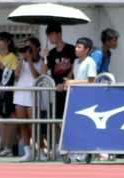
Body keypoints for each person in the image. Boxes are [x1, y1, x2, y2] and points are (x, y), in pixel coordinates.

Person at [43, 22, 74, 159]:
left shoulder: (71, 49)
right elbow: (44, 73)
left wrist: (65, 82)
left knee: (67, 120)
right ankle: (58, 148)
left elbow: (74, 67)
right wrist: (45, 57)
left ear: (59, 34)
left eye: (51, 34)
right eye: (48, 35)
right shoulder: (51, 53)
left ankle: (69, 147)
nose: (50, 38)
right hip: (56, 91)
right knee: (56, 119)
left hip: (69, 90)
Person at [14, 37, 43, 162]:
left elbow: (36, 76)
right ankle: (28, 152)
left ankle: (41, 151)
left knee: (35, 125)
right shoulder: (23, 61)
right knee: (23, 125)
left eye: (30, 47)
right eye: (26, 47)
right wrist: (22, 58)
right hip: (21, 94)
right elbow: (16, 74)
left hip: (33, 95)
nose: (28, 50)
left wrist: (30, 60)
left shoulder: (42, 61)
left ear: (37, 48)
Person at [0, 32, 19, 157]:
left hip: (7, 93)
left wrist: (3, 68)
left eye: (1, 40)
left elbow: (15, 75)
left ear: (8, 42)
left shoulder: (12, 57)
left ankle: (7, 146)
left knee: (7, 120)